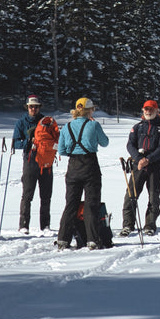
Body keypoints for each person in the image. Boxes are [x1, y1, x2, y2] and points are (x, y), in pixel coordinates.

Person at [55, 97, 110, 250]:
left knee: (71, 205)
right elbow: (105, 142)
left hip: (73, 167)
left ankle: (63, 239)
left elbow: (61, 150)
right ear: (89, 110)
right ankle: (92, 239)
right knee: (91, 204)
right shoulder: (93, 125)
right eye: (93, 109)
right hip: (90, 166)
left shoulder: (66, 127)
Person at [120, 99, 160, 236]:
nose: (148, 111)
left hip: (155, 166)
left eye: (151, 109)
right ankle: (128, 225)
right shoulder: (137, 127)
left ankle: (150, 225)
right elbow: (130, 145)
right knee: (130, 195)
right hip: (139, 166)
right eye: (146, 109)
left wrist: (148, 159)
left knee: (153, 196)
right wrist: (139, 159)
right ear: (143, 110)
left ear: (157, 110)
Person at [12, 94, 54, 235]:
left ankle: (45, 225)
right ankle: (24, 225)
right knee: (27, 195)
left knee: (46, 195)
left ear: (39, 107)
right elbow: (16, 143)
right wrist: (28, 142)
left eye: (36, 107)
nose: (33, 109)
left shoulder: (46, 121)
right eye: (31, 107)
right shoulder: (21, 123)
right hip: (30, 160)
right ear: (27, 107)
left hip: (46, 161)